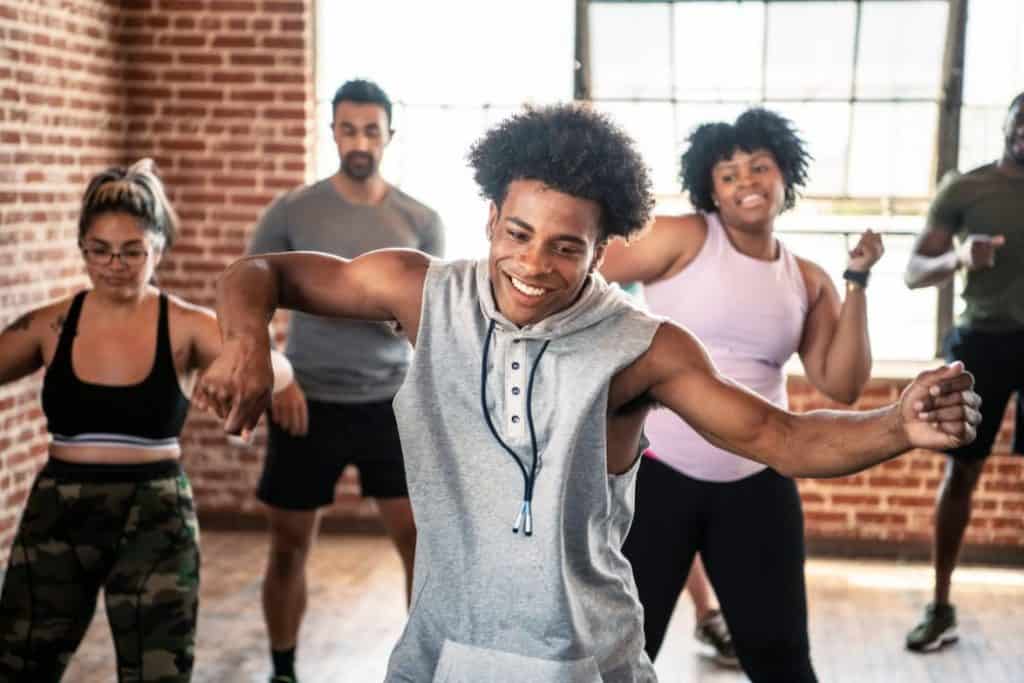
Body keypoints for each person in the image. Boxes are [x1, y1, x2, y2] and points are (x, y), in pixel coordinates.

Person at [196, 104, 980, 683]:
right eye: (518, 234)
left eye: (567, 246)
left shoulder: (643, 347)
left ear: (605, 250)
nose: (535, 264)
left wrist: (897, 423)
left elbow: (781, 437)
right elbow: (263, 273)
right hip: (441, 647)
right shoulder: (420, 290)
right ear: (492, 217)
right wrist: (246, 345)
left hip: (581, 655)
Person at [599, 108, 884, 681]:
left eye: (759, 167)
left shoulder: (806, 278)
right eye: (728, 174)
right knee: (620, 652)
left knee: (781, 658)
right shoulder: (685, 237)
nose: (745, 182)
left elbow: (842, 382)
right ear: (711, 189)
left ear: (785, 177)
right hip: (655, 476)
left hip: (758, 482)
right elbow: (583, 263)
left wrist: (855, 279)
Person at [0, 160, 292, 682]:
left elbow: (281, 370)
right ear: (82, 247)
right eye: (100, 250)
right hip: (60, 509)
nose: (115, 264)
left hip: (154, 511)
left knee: (159, 671)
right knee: (20, 663)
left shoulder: (184, 324)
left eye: (132, 251)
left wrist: (244, 358)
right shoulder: (51, 323)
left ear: (158, 248)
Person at [246, 79, 444, 683]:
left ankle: (421, 666)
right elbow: (252, 292)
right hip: (307, 401)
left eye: (371, 130)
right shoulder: (292, 211)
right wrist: (278, 375)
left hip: (390, 403)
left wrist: (404, 322)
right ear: (332, 130)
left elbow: (432, 319)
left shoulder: (420, 219)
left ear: (389, 135)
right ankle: (283, 669)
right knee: (288, 546)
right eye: (348, 128)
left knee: (419, 545)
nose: (360, 141)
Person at [903, 91, 1024, 652]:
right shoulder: (966, 189)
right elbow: (913, 271)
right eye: (1021, 118)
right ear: (1006, 123)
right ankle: (941, 605)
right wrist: (958, 258)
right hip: (985, 343)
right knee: (962, 475)